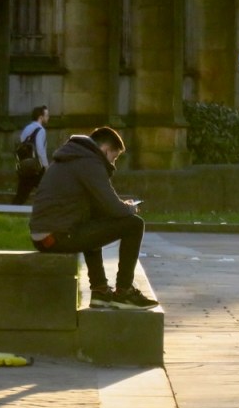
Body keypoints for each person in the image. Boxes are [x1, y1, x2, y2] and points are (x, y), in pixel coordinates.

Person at [29, 126, 158, 310]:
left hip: (45, 236)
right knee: (135, 224)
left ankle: (100, 290)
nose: (113, 164)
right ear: (105, 150)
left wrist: (122, 207)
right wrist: (130, 208)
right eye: (114, 158)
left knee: (93, 223)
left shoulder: (72, 157)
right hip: (56, 236)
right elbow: (113, 207)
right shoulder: (89, 162)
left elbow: (101, 206)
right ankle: (124, 292)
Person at [12, 105, 50, 205]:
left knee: (22, 193)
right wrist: (46, 166)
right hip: (36, 167)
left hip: (25, 165)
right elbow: (40, 149)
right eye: (46, 116)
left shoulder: (27, 128)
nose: (48, 118)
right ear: (41, 118)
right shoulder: (41, 130)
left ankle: (12, 210)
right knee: (48, 189)